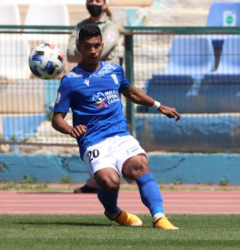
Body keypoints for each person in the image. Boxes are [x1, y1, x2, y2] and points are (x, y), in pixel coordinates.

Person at [52, 23, 180, 229]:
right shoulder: (70, 80)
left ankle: (159, 217)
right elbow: (57, 118)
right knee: (110, 182)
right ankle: (113, 212)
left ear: (102, 45)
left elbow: (131, 92)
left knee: (139, 166)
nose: (92, 50)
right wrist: (70, 129)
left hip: (120, 135)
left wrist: (158, 105)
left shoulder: (114, 70)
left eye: (96, 45)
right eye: (87, 46)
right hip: (93, 141)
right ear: (79, 47)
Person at [67, 0, 119, 193]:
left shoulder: (111, 26)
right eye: (91, 0)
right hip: (85, 85)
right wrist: (83, 53)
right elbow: (69, 52)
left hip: (106, 86)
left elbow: (100, 52)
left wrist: (84, 50)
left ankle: (102, 178)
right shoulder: (80, 26)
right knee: (87, 130)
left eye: (98, 1)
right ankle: (95, 179)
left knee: (108, 130)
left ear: (105, 5)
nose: (94, 4)